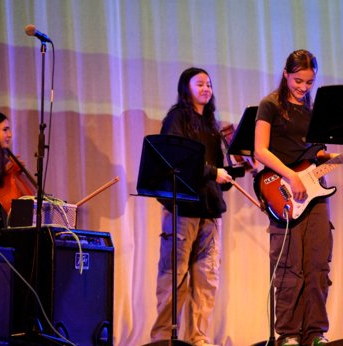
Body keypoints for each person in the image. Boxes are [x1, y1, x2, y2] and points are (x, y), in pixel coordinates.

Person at [254, 49, 334, 346]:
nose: (303, 87)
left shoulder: (315, 113)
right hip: (285, 187)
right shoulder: (270, 105)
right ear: (286, 74)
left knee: (317, 264)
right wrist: (291, 175)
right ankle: (288, 333)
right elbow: (261, 149)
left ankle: (315, 332)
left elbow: (319, 154)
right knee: (289, 264)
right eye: (298, 80)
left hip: (314, 191)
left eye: (309, 82)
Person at [149, 67, 232, 346]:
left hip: (209, 209)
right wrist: (213, 173)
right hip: (183, 208)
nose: (207, 89)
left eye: (209, 84)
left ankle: (199, 338)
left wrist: (231, 171)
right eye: (200, 84)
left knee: (206, 279)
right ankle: (163, 339)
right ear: (186, 88)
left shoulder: (211, 124)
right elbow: (173, 158)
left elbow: (218, 169)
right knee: (174, 277)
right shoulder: (178, 117)